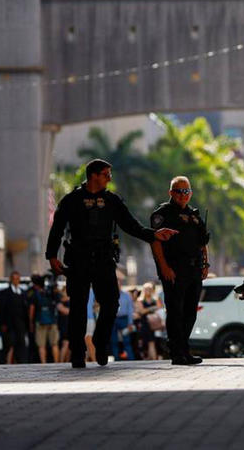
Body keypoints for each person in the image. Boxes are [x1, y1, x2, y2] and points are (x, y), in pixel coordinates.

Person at [46, 158, 172, 369]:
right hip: (78, 260)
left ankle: (100, 342)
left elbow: (131, 225)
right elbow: (57, 229)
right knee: (78, 307)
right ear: (93, 175)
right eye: (106, 174)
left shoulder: (112, 201)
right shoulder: (72, 200)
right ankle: (78, 352)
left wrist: (154, 235)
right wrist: (52, 256)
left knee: (111, 303)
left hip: (104, 259)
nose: (109, 178)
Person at [150, 175, 210, 366]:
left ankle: (184, 349)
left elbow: (202, 243)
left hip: (194, 269)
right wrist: (164, 267)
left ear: (190, 193)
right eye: (179, 191)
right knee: (175, 311)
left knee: (190, 311)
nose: (183, 195)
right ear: (171, 192)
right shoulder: (163, 214)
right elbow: (156, 242)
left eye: (186, 191)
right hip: (174, 270)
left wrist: (205, 264)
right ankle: (176, 352)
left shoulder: (194, 215)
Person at [0, 271, 30, 364]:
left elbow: (26, 310)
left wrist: (27, 325)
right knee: (9, 344)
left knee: (21, 344)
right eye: (14, 279)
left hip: (20, 324)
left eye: (18, 279)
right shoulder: (4, 293)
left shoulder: (23, 293)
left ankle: (20, 362)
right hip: (9, 324)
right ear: (11, 280)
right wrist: (2, 323)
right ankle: (7, 362)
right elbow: (1, 309)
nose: (16, 281)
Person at [28, 275, 60, 364]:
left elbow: (32, 310)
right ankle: (56, 362)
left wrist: (31, 323)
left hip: (40, 322)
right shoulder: (50, 292)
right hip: (52, 322)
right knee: (54, 344)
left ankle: (43, 363)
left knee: (41, 345)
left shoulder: (35, 294)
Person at [134, 282, 162, 360]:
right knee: (150, 342)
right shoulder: (140, 300)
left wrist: (148, 309)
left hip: (155, 324)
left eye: (150, 289)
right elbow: (142, 311)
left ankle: (153, 358)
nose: (148, 291)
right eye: (146, 289)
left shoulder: (155, 299)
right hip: (145, 323)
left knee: (154, 342)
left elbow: (160, 307)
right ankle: (152, 358)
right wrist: (153, 308)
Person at [110, 276, 135, 361]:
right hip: (113, 319)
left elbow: (130, 309)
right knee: (114, 341)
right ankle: (116, 360)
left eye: (119, 284)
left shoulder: (126, 295)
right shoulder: (109, 295)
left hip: (124, 319)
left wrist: (130, 322)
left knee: (127, 340)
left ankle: (131, 359)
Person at [55, 287, 71, 363]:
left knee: (69, 346)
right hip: (64, 325)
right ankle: (61, 361)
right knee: (65, 343)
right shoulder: (60, 301)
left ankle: (67, 361)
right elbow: (63, 310)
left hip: (70, 324)